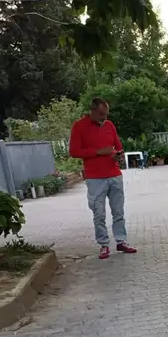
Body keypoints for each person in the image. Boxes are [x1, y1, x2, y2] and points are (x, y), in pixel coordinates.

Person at [70, 98, 137, 259]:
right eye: (101, 114)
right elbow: (74, 151)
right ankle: (104, 244)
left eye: (106, 114)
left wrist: (119, 156)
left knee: (118, 211)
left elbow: (118, 147)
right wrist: (98, 152)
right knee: (98, 213)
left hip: (114, 175)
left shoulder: (109, 125)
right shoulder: (79, 126)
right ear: (92, 111)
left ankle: (121, 241)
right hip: (95, 178)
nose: (104, 117)